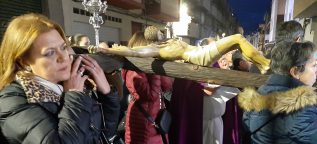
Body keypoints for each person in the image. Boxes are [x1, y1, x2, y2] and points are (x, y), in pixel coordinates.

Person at [0, 13, 111, 144]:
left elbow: (103, 132)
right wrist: (75, 96)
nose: (64, 58)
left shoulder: (68, 85)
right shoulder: (13, 98)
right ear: (24, 61)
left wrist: (107, 94)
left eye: (63, 47)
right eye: (49, 53)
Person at [238, 40, 317, 144]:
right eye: (314, 65)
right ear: (295, 71)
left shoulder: (260, 96)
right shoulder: (300, 108)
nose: (316, 71)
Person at [123, 30, 173, 144]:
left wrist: (160, 66)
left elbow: (167, 86)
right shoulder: (133, 70)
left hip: (152, 122)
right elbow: (150, 95)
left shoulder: (148, 66)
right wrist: (154, 71)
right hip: (142, 122)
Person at [96, 32, 270, 74]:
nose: (160, 33)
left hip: (201, 52)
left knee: (238, 42)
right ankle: (265, 65)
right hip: (199, 56)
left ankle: (262, 64)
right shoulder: (157, 49)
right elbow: (134, 52)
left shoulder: (167, 42)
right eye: (156, 33)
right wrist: (109, 49)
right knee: (238, 38)